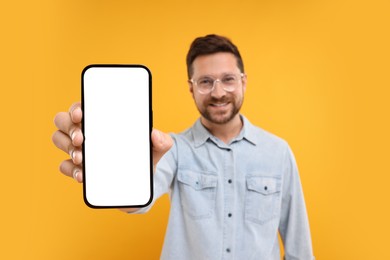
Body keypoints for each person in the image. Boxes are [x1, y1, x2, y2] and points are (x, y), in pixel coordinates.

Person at [52, 34, 315, 259]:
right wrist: (118, 166)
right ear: (191, 88)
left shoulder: (278, 152)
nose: (218, 92)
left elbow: (299, 249)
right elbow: (135, 203)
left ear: (243, 81)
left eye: (228, 79)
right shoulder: (172, 148)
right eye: (205, 81)